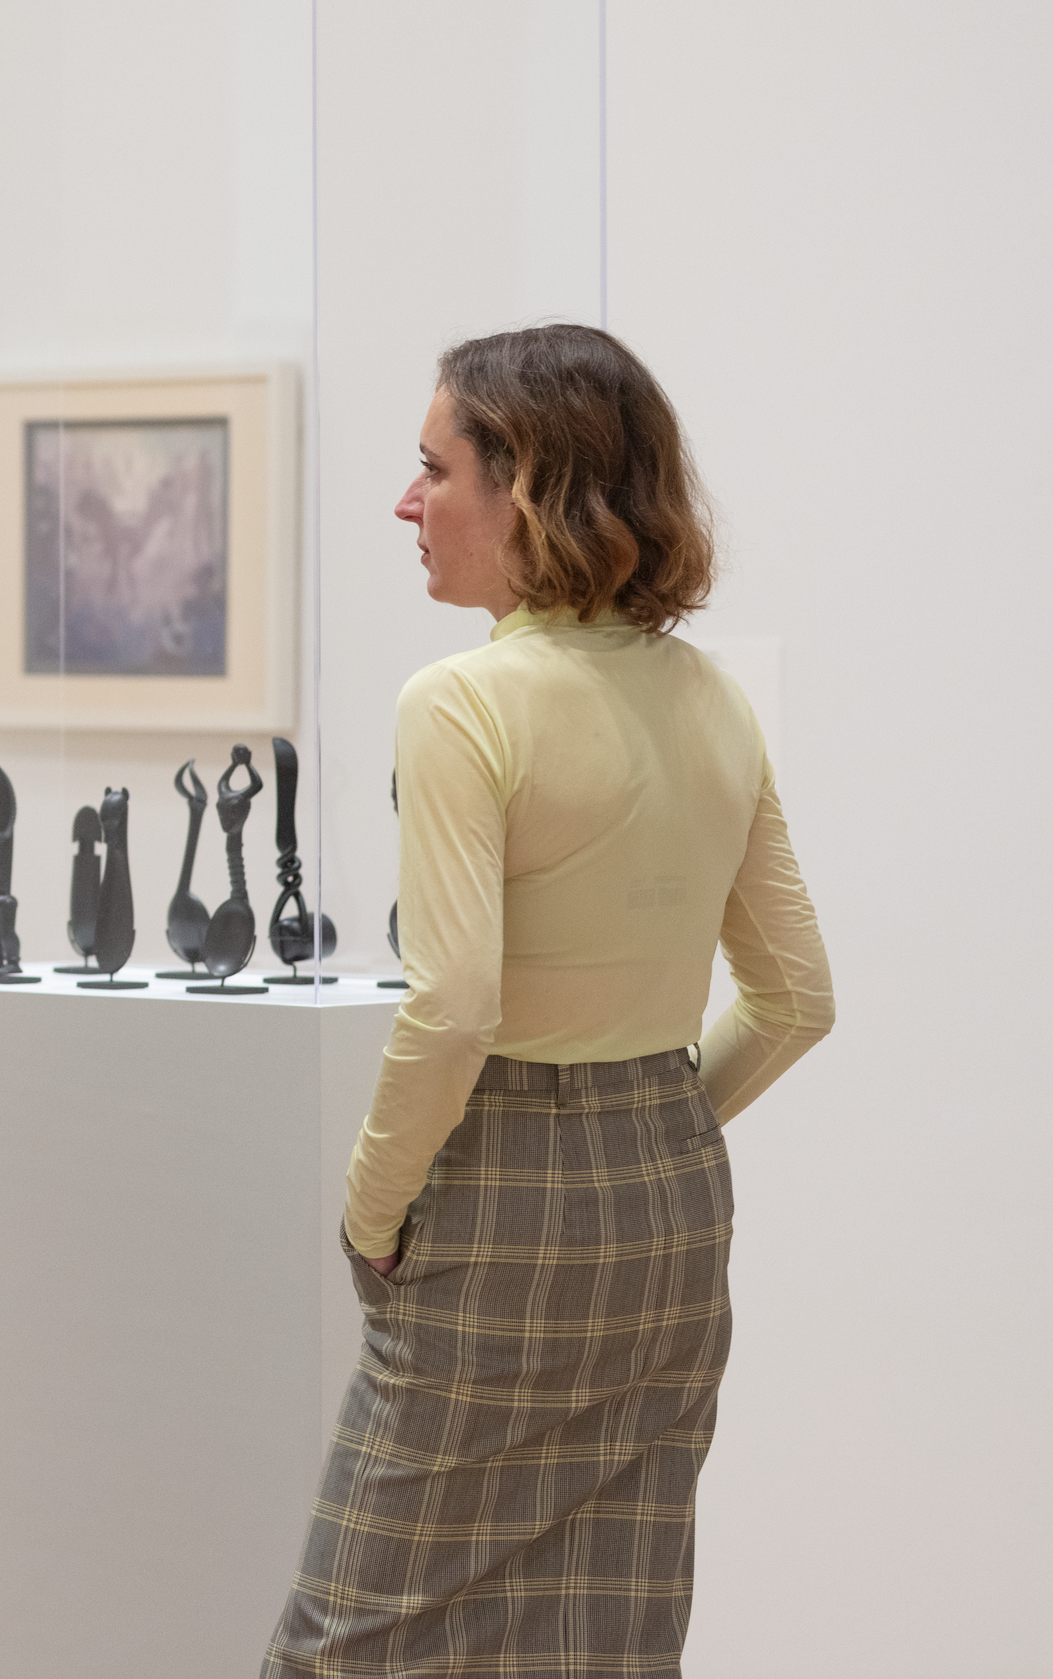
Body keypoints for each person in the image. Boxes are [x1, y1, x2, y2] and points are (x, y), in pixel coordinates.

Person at [262, 325, 836, 1676]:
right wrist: (658, 1120)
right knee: (599, 1631)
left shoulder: (461, 702)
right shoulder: (712, 699)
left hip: (499, 1183)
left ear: (529, 486)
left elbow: (455, 1007)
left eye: (432, 468)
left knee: (352, 1639)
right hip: (671, 1201)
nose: (407, 504)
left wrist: (370, 1204)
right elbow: (797, 997)